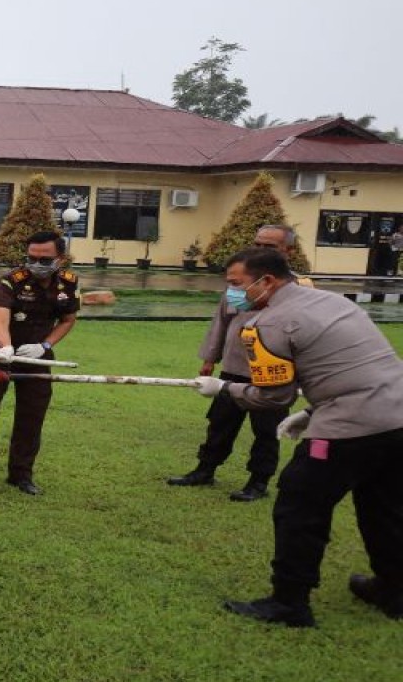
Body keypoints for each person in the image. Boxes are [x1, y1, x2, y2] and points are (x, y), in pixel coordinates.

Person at [194, 248, 403, 627]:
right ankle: (394, 590)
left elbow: (273, 396)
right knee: (384, 507)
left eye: (236, 285)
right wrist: (309, 413)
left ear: (267, 281)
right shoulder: (332, 301)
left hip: (349, 428)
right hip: (397, 418)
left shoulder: (269, 323)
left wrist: (223, 388)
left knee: (300, 504)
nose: (231, 294)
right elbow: (354, 370)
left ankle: (289, 602)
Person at [169, 225, 310, 501]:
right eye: (257, 243)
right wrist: (211, 358)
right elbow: (221, 321)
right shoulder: (240, 283)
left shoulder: (298, 291)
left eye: (269, 246)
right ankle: (204, 469)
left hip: (273, 373)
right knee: (220, 423)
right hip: (233, 369)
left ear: (287, 251)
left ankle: (258, 481)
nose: (260, 250)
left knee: (267, 431)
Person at [0, 231, 79, 496]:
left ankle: (21, 475)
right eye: (31, 258)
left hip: (36, 355)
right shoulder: (10, 280)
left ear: (61, 258)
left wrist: (45, 346)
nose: (36, 264)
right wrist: (5, 346)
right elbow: (0, 319)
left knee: (31, 415)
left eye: (44, 260)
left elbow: (67, 320)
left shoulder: (68, 283)